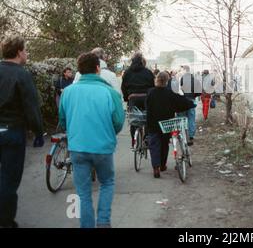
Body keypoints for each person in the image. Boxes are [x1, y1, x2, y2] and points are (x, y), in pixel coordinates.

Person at [58, 52, 125, 228]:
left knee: (82, 191)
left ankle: (86, 225)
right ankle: (103, 221)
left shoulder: (67, 93)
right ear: (98, 69)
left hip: (78, 148)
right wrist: (108, 132)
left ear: (79, 70)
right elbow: (118, 122)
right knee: (107, 182)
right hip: (103, 147)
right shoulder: (110, 93)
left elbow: (63, 120)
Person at [0, 36, 44, 228]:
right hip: (12, 132)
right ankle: (5, 221)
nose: (27, 54)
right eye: (25, 50)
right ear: (18, 52)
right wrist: (38, 132)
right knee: (9, 179)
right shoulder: (22, 75)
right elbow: (31, 107)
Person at [146, 72, 195, 178]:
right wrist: (191, 104)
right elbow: (181, 103)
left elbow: (147, 107)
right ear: (167, 81)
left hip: (153, 123)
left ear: (157, 80)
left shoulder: (150, 92)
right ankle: (163, 165)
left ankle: (156, 168)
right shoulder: (170, 93)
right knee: (164, 145)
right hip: (166, 124)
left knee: (154, 145)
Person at [121, 52, 155, 147]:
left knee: (134, 120)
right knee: (148, 118)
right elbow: (153, 86)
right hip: (146, 98)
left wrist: (126, 98)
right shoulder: (148, 72)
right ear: (141, 61)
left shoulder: (127, 73)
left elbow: (123, 87)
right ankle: (147, 137)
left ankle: (134, 141)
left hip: (133, 98)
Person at [179, 65, 201, 146]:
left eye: (182, 70)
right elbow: (199, 92)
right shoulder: (195, 80)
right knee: (191, 118)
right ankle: (191, 135)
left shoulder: (182, 79)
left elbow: (179, 90)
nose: (181, 71)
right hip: (191, 100)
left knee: (183, 118)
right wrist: (194, 96)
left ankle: (184, 134)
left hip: (183, 100)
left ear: (185, 70)